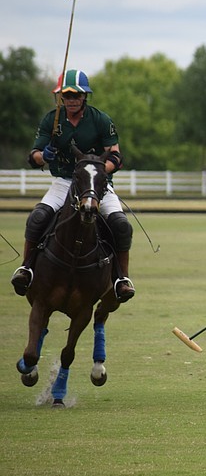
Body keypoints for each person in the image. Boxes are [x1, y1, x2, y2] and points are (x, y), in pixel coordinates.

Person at [10, 69, 135, 302]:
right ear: (60, 97)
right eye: (67, 96)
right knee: (37, 217)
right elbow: (33, 157)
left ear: (84, 97)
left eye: (76, 95)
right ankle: (26, 268)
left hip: (96, 183)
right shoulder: (52, 120)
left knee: (120, 224)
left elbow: (116, 156)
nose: (72, 100)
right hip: (63, 181)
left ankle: (121, 279)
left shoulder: (100, 120)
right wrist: (44, 156)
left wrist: (96, 169)